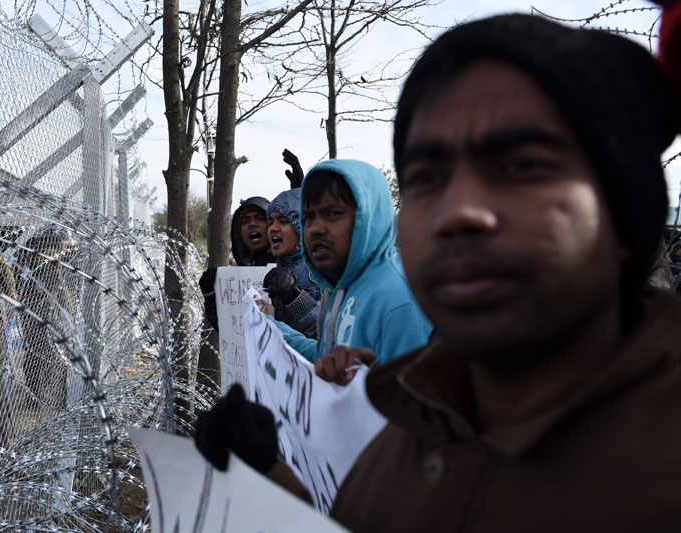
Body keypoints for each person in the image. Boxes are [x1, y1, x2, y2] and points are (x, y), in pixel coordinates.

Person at [195, 14, 681, 531]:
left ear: (624, 206)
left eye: (521, 166)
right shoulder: (418, 421)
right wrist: (269, 472)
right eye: (428, 177)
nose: (459, 211)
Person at [269, 159, 432, 367]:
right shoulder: (341, 287)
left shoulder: (400, 299)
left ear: (369, 215)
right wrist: (272, 328)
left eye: (333, 214)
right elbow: (325, 359)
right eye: (309, 217)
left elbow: (413, 396)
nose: (315, 228)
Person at [198, 149, 305, 331]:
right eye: (245, 221)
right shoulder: (238, 278)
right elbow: (232, 333)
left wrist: (299, 196)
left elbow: (317, 327)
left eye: (260, 218)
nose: (252, 224)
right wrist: (210, 296)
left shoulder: (296, 269)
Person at [260, 188, 321, 338]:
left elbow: (328, 331)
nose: (273, 228)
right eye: (271, 221)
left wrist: (295, 297)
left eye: (283, 221)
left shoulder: (321, 270)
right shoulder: (277, 266)